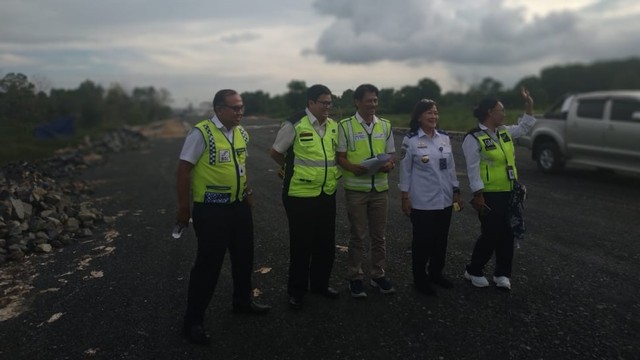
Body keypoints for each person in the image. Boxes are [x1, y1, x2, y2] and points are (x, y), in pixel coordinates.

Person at [176, 89, 270, 346]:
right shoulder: (201, 133)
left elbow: (241, 166)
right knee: (208, 266)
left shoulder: (241, 133)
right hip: (211, 210)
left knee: (244, 257)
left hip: (238, 207)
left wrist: (248, 191)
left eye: (242, 107)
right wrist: (184, 209)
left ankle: (242, 302)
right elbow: (184, 170)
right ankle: (192, 322)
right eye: (235, 108)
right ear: (219, 109)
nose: (240, 112)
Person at [270, 84, 341, 310]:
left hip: (326, 192)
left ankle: (320, 285)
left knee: (325, 244)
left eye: (330, 102)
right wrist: (288, 169)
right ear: (311, 103)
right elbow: (276, 152)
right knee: (301, 245)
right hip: (300, 195)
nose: (328, 107)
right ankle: (297, 291)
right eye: (324, 102)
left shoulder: (332, 126)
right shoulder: (295, 123)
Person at [462, 87, 536, 290]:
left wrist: (529, 104)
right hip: (489, 194)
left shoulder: (504, 132)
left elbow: (525, 126)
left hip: (510, 192)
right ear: (489, 113)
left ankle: (502, 273)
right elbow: (472, 170)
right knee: (490, 234)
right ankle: (473, 270)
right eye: (500, 110)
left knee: (507, 233)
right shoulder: (474, 138)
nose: (504, 114)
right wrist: (478, 195)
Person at [336, 84, 396, 298]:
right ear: (357, 102)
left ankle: (378, 274)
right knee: (358, 236)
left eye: (375, 101)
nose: (373, 105)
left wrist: (390, 165)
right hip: (356, 190)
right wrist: (354, 168)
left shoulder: (385, 126)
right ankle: (355, 277)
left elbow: (390, 155)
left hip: (380, 189)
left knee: (379, 236)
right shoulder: (345, 126)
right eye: (369, 100)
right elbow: (340, 157)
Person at [398, 99, 462, 296]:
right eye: (429, 113)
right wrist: (405, 197)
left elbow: (450, 167)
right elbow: (405, 171)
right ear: (419, 117)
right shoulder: (411, 140)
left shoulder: (444, 138)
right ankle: (420, 279)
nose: (434, 116)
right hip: (422, 202)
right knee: (422, 242)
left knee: (440, 241)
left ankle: (436, 273)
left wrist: (456, 190)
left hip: (444, 199)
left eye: (435, 113)